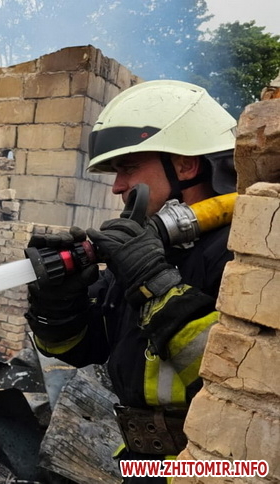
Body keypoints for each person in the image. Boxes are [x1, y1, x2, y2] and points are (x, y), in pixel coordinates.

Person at [25, 80, 238, 481]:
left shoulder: (240, 254)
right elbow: (83, 349)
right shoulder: (150, 251)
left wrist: (154, 282)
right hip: (146, 465)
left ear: (185, 165)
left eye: (128, 167)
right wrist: (58, 303)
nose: (117, 187)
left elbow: (239, 379)